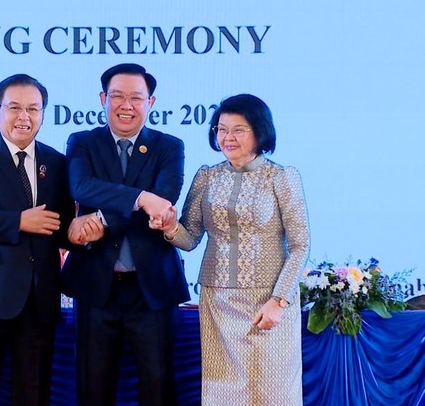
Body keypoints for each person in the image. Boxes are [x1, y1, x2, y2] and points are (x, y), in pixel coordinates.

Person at [0, 74, 103, 406]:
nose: (24, 117)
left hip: (38, 300)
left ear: (43, 113)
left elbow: (59, 226)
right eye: (15, 107)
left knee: (33, 395)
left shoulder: (57, 163)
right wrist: (18, 221)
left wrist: (82, 231)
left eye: (33, 109)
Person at [152, 94, 310, 405]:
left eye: (238, 130)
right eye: (221, 129)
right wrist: (169, 227)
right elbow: (190, 238)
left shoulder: (281, 177)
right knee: (223, 390)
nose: (228, 137)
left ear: (260, 132)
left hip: (268, 300)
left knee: (273, 390)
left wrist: (279, 300)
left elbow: (300, 244)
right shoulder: (207, 176)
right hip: (218, 301)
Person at [61, 63, 189, 406]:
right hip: (95, 286)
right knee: (93, 388)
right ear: (103, 99)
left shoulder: (169, 147)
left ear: (151, 102)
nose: (126, 105)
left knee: (158, 388)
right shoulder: (82, 142)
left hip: (152, 288)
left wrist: (102, 217)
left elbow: (163, 199)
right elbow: (81, 186)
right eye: (117, 96)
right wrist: (142, 198)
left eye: (136, 98)